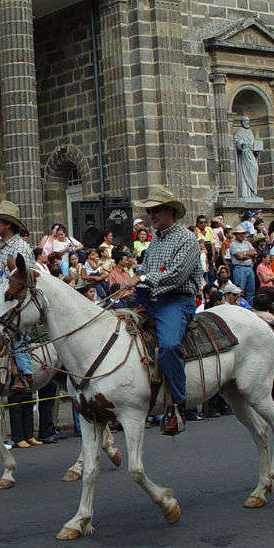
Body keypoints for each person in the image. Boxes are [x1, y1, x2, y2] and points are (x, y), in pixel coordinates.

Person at [122, 185, 201, 436]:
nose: (151, 216)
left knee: (168, 345)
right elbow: (149, 272)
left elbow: (177, 275)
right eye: (149, 211)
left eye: (155, 211)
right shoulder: (155, 239)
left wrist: (142, 278)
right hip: (152, 299)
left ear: (169, 211)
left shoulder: (187, 239)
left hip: (177, 300)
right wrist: (137, 283)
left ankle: (179, 404)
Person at [0, 200, 36, 391]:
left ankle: (24, 373)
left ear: (7, 224)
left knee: (16, 330)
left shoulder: (20, 248)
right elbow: (0, 274)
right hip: (1, 293)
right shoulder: (2, 246)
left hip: (18, 297)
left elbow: (20, 279)